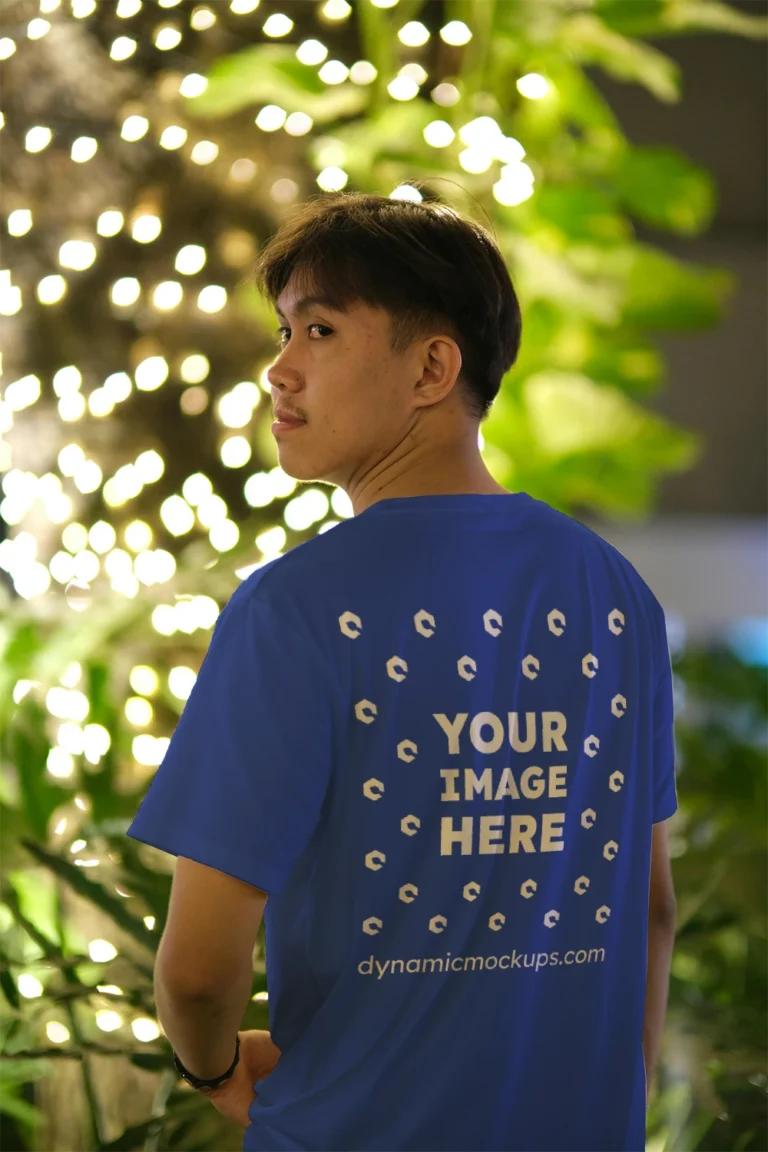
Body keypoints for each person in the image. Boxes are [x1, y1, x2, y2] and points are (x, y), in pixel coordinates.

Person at [127, 190, 678, 1151]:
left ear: (432, 366)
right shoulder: (615, 592)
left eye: (321, 330)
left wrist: (214, 1070)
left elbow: (202, 969)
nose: (278, 369)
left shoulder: (293, 612)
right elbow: (650, 909)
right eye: (285, 330)